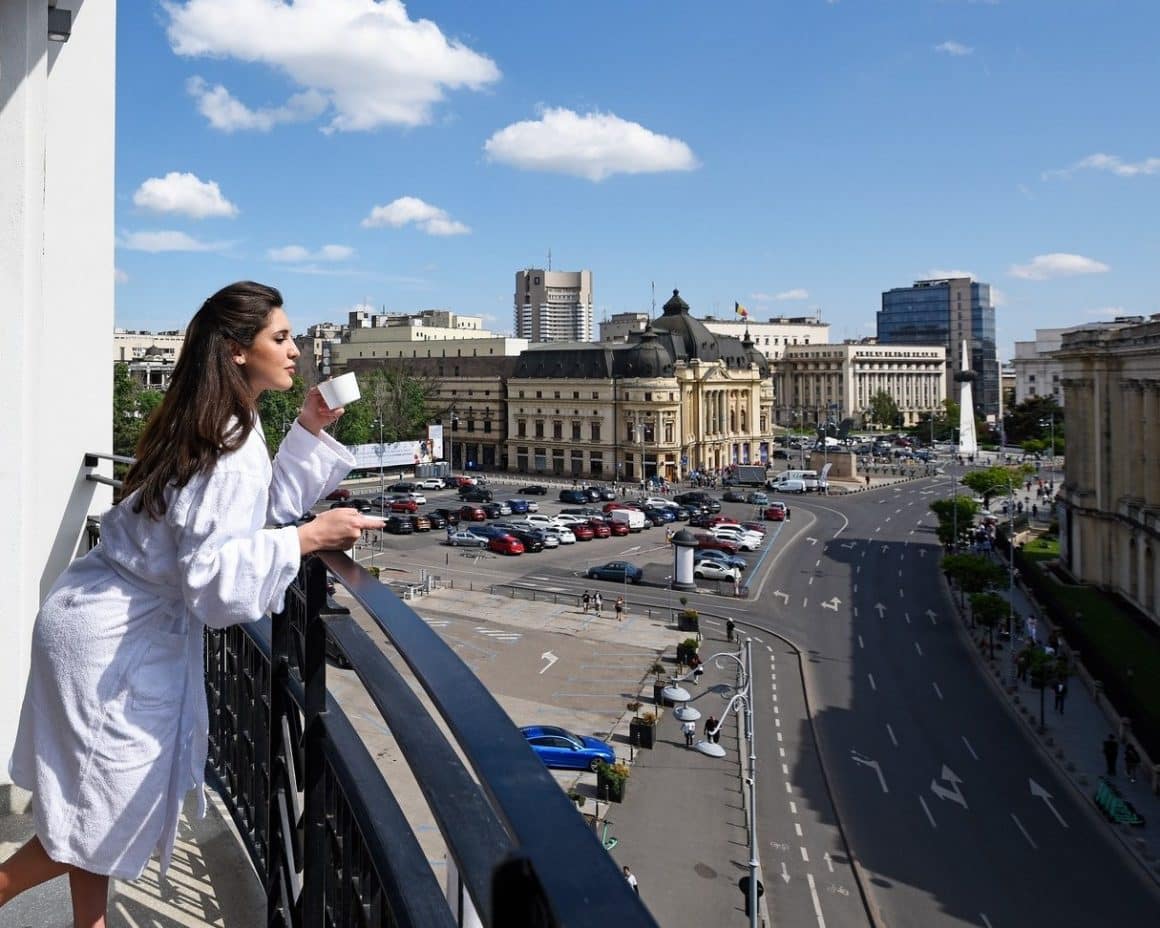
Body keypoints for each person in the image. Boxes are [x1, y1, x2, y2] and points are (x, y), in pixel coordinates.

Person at [0, 282, 379, 927]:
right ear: (237, 351)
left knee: (94, 806)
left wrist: (311, 428)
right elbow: (212, 578)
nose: (296, 352)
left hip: (97, 620)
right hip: (116, 644)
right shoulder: (229, 444)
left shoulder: (215, 419)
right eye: (280, 339)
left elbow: (241, 520)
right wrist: (310, 537)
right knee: (103, 808)